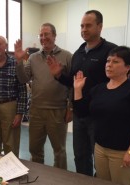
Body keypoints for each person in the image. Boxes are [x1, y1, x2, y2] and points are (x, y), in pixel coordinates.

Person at [46, 10, 117, 176]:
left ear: (100, 27)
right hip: (79, 115)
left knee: (100, 160)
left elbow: (116, 82)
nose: (84, 29)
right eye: (82, 26)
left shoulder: (111, 51)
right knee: (80, 156)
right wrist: (58, 75)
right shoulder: (78, 53)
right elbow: (73, 82)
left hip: (99, 116)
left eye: (88, 25)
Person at [73, 46, 130, 185]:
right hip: (100, 150)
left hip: (123, 153)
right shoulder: (99, 89)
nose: (109, 64)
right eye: (108, 61)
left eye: (115, 62)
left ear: (127, 67)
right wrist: (78, 89)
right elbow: (82, 112)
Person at [14, 23, 72, 169]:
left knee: (59, 151)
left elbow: (73, 84)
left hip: (57, 111)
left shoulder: (67, 56)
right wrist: (19, 62)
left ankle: (60, 180)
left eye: (46, 34)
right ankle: (39, 180)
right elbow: (23, 79)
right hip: (36, 111)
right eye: (41, 35)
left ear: (54, 35)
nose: (43, 38)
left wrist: (70, 108)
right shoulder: (33, 58)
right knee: (35, 150)